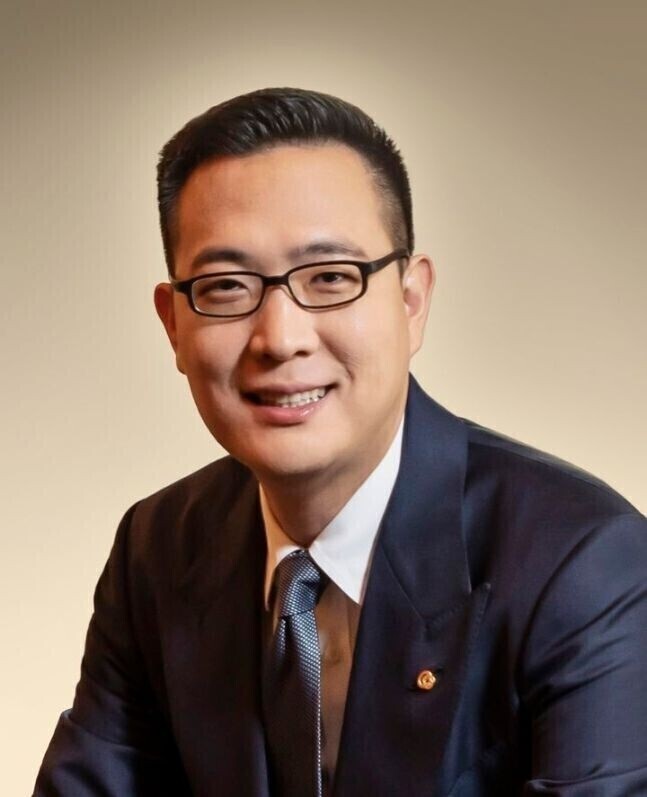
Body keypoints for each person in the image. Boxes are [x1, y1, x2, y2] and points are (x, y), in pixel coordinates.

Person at [34, 87, 647, 797]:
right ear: (174, 324)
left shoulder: (581, 560)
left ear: (411, 301)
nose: (280, 339)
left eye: (330, 277)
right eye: (227, 287)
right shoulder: (157, 548)